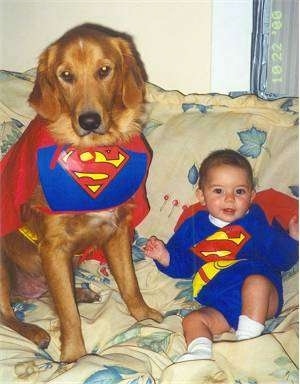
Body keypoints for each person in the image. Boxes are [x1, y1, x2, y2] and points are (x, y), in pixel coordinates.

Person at [144, 149, 298, 362]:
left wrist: (293, 239)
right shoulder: (194, 226)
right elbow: (185, 265)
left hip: (262, 300)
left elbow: (283, 259)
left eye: (239, 192)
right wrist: (164, 256)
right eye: (218, 191)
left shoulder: (256, 222)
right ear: (201, 196)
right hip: (220, 304)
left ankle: (247, 344)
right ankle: (199, 356)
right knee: (192, 320)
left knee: (256, 283)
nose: (229, 199)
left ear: (252, 196)